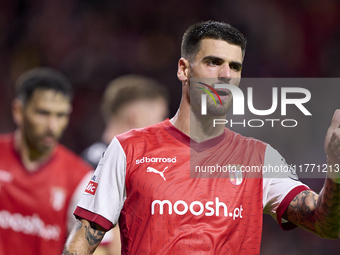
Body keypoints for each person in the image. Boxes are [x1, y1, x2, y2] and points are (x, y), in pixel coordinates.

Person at [63, 21, 340, 255]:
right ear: (184, 69)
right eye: (213, 62)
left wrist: (335, 165)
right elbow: (82, 242)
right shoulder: (128, 148)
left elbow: (326, 225)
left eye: (235, 66)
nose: (225, 75)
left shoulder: (260, 159)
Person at [0, 67, 92, 255]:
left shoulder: (81, 178)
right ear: (18, 111)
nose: (52, 126)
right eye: (43, 113)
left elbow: (95, 249)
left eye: (61, 115)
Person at [81, 74, 169, 255]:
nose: (164, 127)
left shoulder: (83, 161)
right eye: (160, 117)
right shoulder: (111, 169)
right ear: (136, 117)